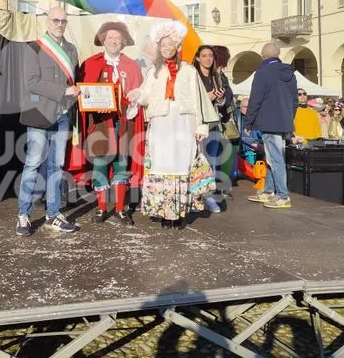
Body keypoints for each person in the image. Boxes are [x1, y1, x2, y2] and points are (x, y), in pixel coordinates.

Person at [128, 21, 218, 229]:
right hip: (161, 123)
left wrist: (201, 127)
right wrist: (137, 94)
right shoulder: (153, 71)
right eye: (163, 45)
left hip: (183, 123)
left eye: (171, 44)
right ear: (158, 47)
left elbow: (198, 99)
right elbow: (146, 94)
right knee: (162, 164)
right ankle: (164, 212)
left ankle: (178, 213)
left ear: (177, 46)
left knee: (181, 164)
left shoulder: (188, 71)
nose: (167, 48)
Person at [16, 7, 80, 236]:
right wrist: (65, 90)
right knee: (33, 164)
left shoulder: (72, 49)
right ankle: (23, 215)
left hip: (63, 115)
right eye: (55, 20)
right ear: (47, 22)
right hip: (40, 114)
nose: (59, 24)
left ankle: (53, 214)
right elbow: (32, 82)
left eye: (63, 21)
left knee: (56, 166)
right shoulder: (33, 48)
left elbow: (76, 81)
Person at [79, 22, 143, 225]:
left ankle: (120, 209)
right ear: (103, 41)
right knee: (100, 162)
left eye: (117, 38)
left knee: (121, 162)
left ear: (123, 42)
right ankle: (101, 208)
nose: (114, 41)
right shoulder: (91, 63)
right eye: (110, 38)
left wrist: (134, 97)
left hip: (125, 121)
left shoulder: (132, 65)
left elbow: (139, 93)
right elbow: (84, 93)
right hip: (100, 122)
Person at [245, 43, 297, 209]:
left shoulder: (263, 72)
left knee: (275, 158)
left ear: (262, 55)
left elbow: (255, 99)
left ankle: (282, 195)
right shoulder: (290, 73)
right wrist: (289, 119)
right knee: (273, 156)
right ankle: (269, 191)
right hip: (284, 122)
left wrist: (249, 121)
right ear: (279, 54)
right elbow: (295, 100)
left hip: (269, 122)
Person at [193, 44, 233, 211]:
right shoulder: (193, 76)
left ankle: (208, 197)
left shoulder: (218, 76)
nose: (208, 58)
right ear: (197, 58)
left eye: (210, 55)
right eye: (204, 55)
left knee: (212, 162)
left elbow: (227, 101)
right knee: (195, 161)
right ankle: (194, 196)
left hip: (214, 124)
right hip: (197, 124)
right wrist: (206, 97)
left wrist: (221, 98)